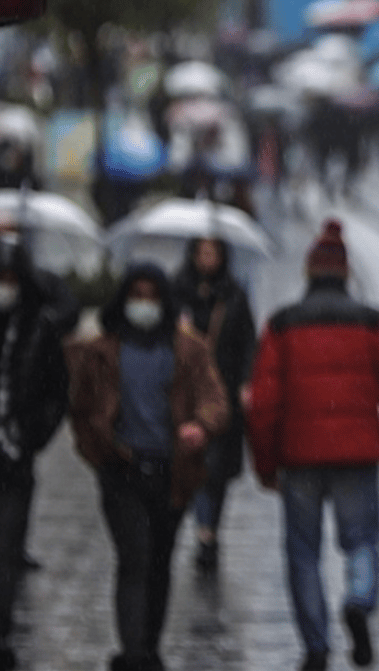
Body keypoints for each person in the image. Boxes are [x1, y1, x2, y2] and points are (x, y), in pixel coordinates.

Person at [247, 219, 379, 671]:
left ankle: (316, 646)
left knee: (303, 553)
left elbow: (262, 404)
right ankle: (359, 600)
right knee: (362, 541)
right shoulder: (371, 322)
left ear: (307, 274)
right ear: (345, 274)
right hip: (358, 454)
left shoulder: (282, 325)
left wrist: (265, 465)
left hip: (299, 458)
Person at [67, 262, 229, 671]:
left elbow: (214, 398)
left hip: (170, 472)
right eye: (136, 295)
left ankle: (149, 646)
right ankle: (133, 652)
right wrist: (98, 451)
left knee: (159, 560)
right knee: (134, 557)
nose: (143, 304)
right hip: (121, 471)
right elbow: (81, 408)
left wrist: (201, 426)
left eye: (151, 295)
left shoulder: (187, 349)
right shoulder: (103, 350)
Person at [0, 234, 69, 671]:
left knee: (4, 552)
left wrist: (30, 435)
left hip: (12, 460)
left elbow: (57, 393)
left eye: (8, 277)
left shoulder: (38, 330)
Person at [0, 210, 79, 573]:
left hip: (15, 442)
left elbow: (57, 386)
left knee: (6, 538)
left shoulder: (36, 309)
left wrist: (34, 432)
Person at [171, 237, 256, 574]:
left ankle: (208, 532)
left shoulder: (233, 293)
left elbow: (248, 340)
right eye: (202, 253)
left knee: (215, 469)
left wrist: (246, 382)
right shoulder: (176, 292)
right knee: (190, 463)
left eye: (214, 253)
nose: (207, 259)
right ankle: (201, 530)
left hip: (222, 392)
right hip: (184, 394)